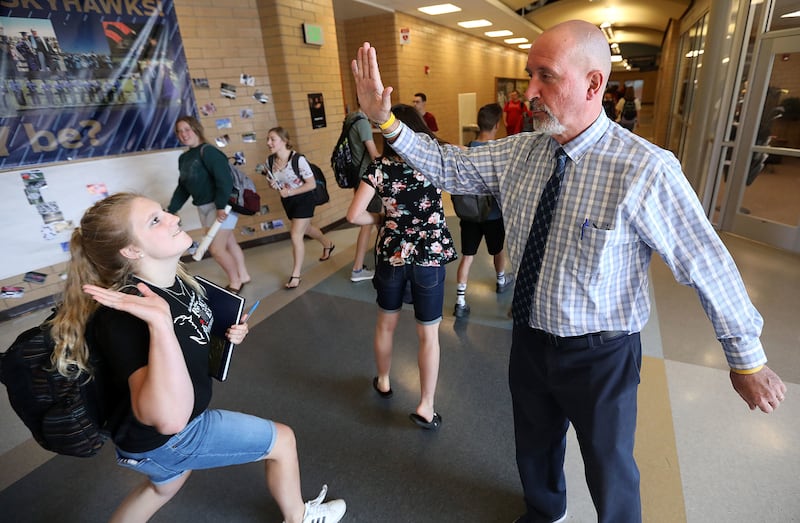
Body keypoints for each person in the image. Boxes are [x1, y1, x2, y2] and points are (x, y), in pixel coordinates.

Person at [352, 20, 786, 523]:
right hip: (530, 339)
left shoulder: (644, 168)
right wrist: (387, 123)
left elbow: (705, 262)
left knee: (609, 463)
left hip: (600, 355)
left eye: (546, 77)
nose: (529, 92)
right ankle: (545, 511)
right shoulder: (521, 151)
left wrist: (746, 359)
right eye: (528, 75)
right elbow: (448, 166)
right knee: (533, 446)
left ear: (593, 84)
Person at [51, 192, 346, 523]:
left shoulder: (176, 280)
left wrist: (228, 333)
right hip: (169, 438)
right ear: (132, 250)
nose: (174, 218)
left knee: (164, 486)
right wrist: (161, 325)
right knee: (282, 440)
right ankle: (299, 517)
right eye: (155, 220)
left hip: (148, 445)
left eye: (164, 212)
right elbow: (167, 420)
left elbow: (194, 325)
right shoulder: (124, 317)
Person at [346, 104, 457, 431]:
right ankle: (425, 405)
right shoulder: (434, 158)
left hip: (392, 254)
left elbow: (354, 215)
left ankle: (383, 380)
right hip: (429, 256)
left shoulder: (379, 167)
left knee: (386, 324)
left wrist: (382, 219)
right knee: (429, 334)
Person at [167, 116, 251, 293]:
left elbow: (224, 180)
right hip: (203, 208)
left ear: (196, 129)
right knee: (229, 243)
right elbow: (183, 187)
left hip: (221, 207)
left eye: (187, 129)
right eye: (179, 131)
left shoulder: (209, 152)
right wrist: (172, 209)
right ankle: (243, 275)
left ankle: (236, 281)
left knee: (216, 249)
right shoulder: (184, 158)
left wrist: (221, 205)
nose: (183, 134)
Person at [452, 102, 513, 318]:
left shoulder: (465, 149)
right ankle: (500, 280)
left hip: (469, 214)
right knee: (497, 250)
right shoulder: (498, 153)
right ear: (497, 125)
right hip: (492, 215)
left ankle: (460, 300)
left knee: (467, 256)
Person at [264, 126, 335, 289]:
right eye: (268, 139)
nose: (269, 143)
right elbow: (272, 182)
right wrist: (272, 184)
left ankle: (295, 275)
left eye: (272, 139)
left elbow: (310, 185)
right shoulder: (270, 161)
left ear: (284, 141)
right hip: (289, 202)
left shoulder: (298, 160)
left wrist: (289, 192)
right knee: (307, 229)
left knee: (296, 235)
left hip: (304, 199)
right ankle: (328, 244)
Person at [344, 101, 381, 282]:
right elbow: (374, 155)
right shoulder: (363, 123)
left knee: (367, 222)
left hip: (356, 176)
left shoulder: (350, 118)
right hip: (366, 179)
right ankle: (359, 269)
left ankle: (358, 268)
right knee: (374, 220)